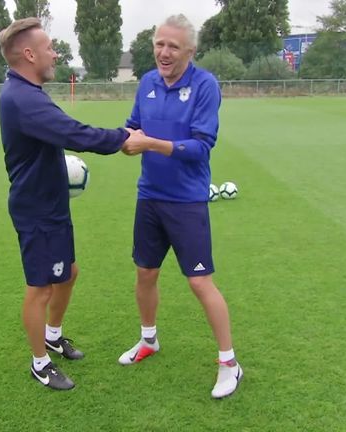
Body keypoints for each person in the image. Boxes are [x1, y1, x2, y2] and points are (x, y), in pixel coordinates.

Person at [0, 17, 138, 391]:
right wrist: (123, 137)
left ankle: (53, 335)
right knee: (40, 288)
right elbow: (74, 133)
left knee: (68, 273)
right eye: (49, 48)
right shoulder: (23, 99)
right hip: (36, 209)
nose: (55, 54)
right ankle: (40, 363)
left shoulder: (28, 92)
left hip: (50, 204)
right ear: (30, 54)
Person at [119, 14, 243, 399]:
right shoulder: (147, 82)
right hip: (149, 196)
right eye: (159, 44)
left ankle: (229, 364)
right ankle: (148, 339)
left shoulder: (205, 85)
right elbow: (133, 126)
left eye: (173, 46)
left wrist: (150, 144)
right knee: (145, 272)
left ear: (190, 50)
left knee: (199, 281)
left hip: (187, 200)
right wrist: (121, 139)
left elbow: (201, 147)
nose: (164, 52)